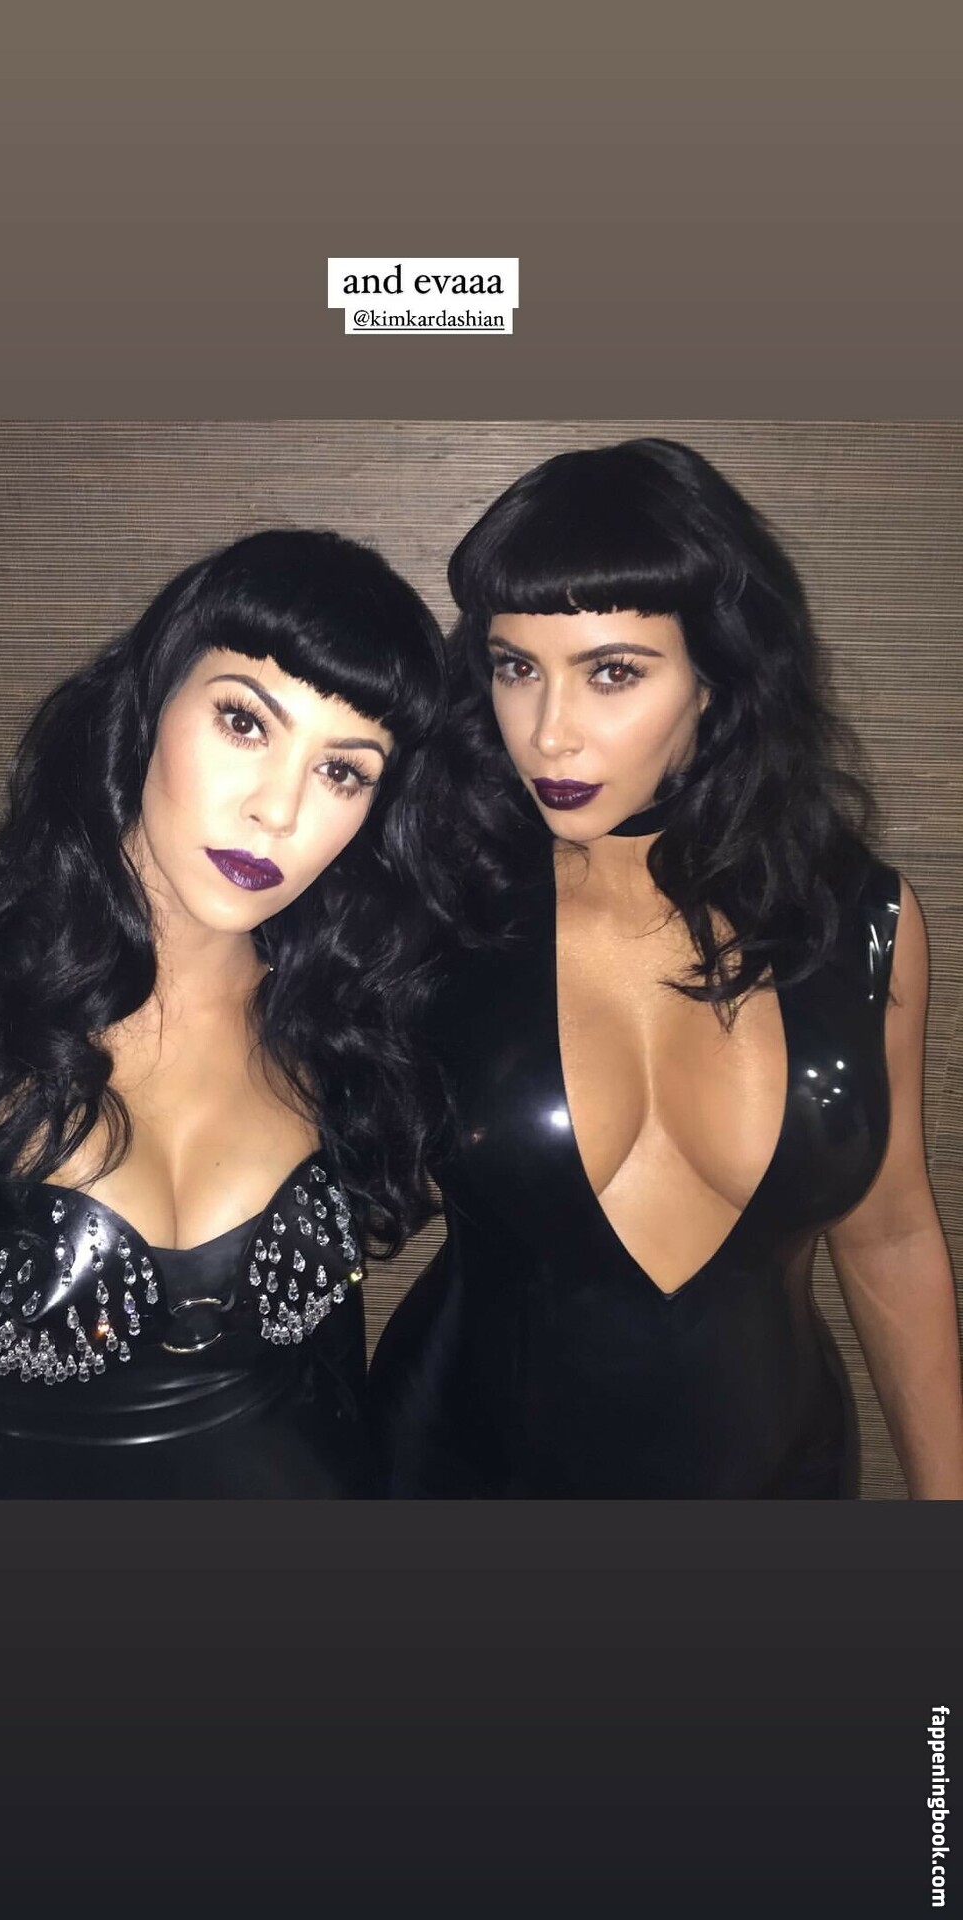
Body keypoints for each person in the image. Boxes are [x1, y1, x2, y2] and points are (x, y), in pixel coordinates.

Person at [368, 437, 963, 1499]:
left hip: (778, 1493)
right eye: (515, 668)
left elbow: (891, 1234)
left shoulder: (860, 919)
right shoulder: (432, 909)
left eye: (612, 673)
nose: (549, 734)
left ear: (714, 680)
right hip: (458, 1479)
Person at [0, 528, 447, 1497]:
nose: (278, 811)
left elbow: (334, 1374)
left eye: (343, 771)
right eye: (246, 722)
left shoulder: (344, 1018)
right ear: (149, 699)